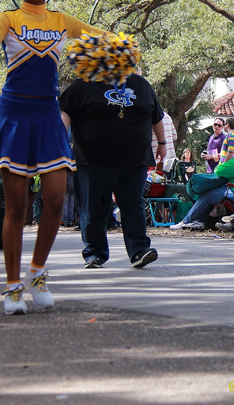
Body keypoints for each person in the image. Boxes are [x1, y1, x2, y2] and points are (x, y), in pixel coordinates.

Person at [0, 0, 109, 315]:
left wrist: (122, 47)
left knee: (55, 199)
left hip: (47, 115)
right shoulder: (8, 18)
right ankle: (12, 286)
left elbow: (100, 37)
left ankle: (37, 272)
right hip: (14, 114)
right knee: (17, 205)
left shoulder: (62, 21)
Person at [60, 71, 165, 270]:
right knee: (93, 207)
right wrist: (59, 141)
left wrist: (162, 142)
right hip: (93, 161)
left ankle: (139, 250)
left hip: (134, 160)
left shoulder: (141, 84)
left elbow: (155, 115)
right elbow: (65, 111)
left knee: (133, 204)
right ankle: (94, 253)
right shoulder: (83, 84)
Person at [170, 140, 234, 230]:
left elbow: (219, 171)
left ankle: (186, 221)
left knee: (209, 196)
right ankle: (198, 221)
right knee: (212, 195)